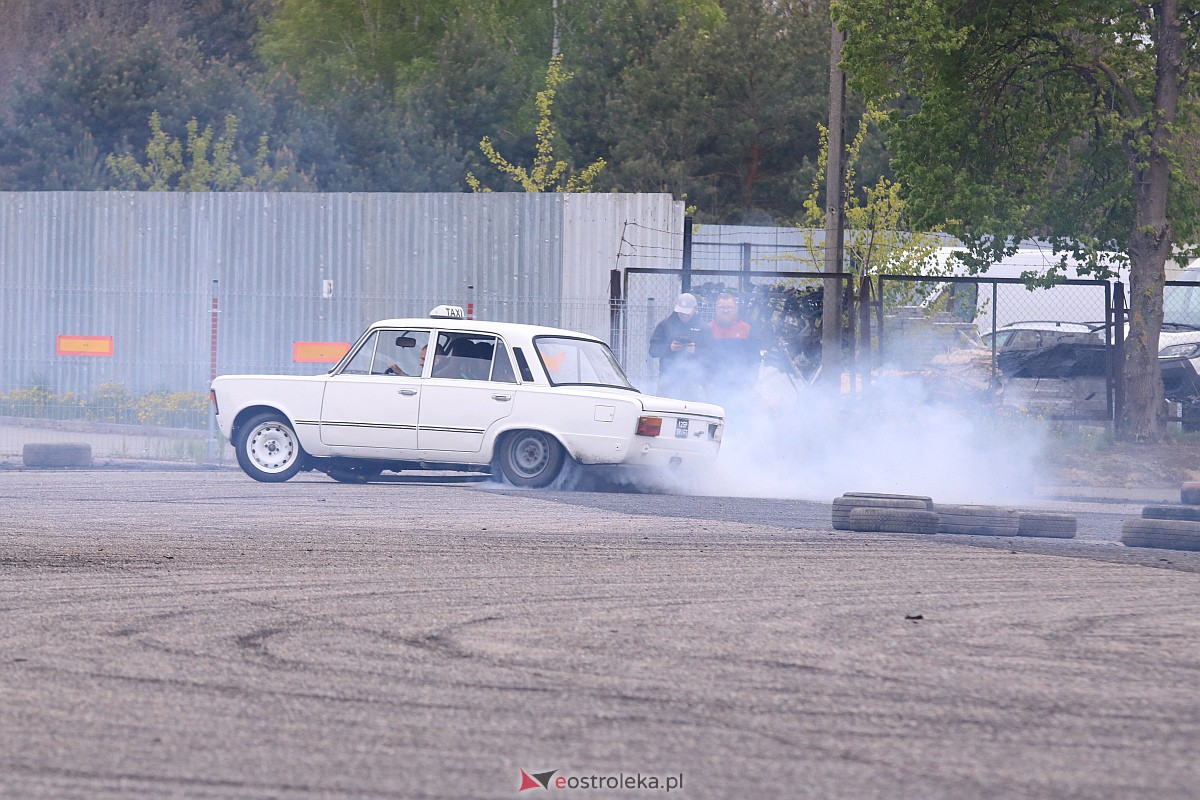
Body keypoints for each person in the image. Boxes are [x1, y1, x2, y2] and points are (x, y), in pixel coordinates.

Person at [649, 292, 711, 399]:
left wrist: (695, 350)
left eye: (687, 312)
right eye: (681, 312)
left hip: (693, 378)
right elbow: (653, 350)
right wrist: (669, 348)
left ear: (695, 309)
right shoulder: (665, 325)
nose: (684, 315)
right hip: (668, 377)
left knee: (693, 410)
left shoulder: (703, 328)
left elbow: (710, 352)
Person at [706, 292, 761, 407]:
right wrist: (706, 382)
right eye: (722, 307)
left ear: (735, 309)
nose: (725, 311)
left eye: (729, 307)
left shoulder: (746, 329)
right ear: (716, 308)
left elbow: (754, 358)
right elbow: (701, 357)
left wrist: (750, 382)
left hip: (740, 385)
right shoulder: (707, 329)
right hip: (714, 385)